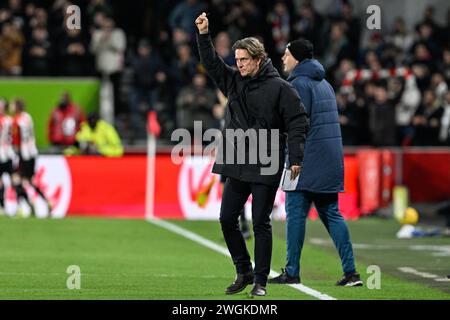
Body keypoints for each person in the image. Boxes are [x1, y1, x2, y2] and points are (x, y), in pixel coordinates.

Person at [195, 12, 309, 296]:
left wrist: (295, 157)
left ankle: (260, 281)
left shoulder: (282, 89)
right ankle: (243, 270)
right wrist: (203, 35)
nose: (239, 64)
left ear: (259, 59)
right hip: (236, 159)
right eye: (237, 59)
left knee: (260, 222)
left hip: (266, 160)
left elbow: (298, 123)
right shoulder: (233, 80)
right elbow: (211, 63)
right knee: (226, 218)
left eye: (244, 59)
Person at [269, 39, 362, 287]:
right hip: (330, 158)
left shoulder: (297, 83)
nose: (283, 59)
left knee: (295, 214)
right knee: (332, 213)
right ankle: (351, 273)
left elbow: (296, 124)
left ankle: (291, 271)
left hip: (303, 159)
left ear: (297, 58)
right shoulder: (326, 84)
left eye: (286, 55)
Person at [10, 98, 52, 217]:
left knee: (16, 179)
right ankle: (46, 201)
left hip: (24, 154)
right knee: (30, 180)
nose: (11, 107)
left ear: (17, 107)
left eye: (13, 105)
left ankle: (25, 205)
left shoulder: (16, 120)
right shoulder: (28, 117)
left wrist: (16, 151)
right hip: (32, 152)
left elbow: (17, 139)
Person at [0, 98, 15, 215]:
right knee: (12, 179)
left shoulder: (4, 120)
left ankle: (6, 206)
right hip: (9, 153)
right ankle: (5, 206)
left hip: (4, 153)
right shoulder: (10, 120)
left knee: (12, 180)